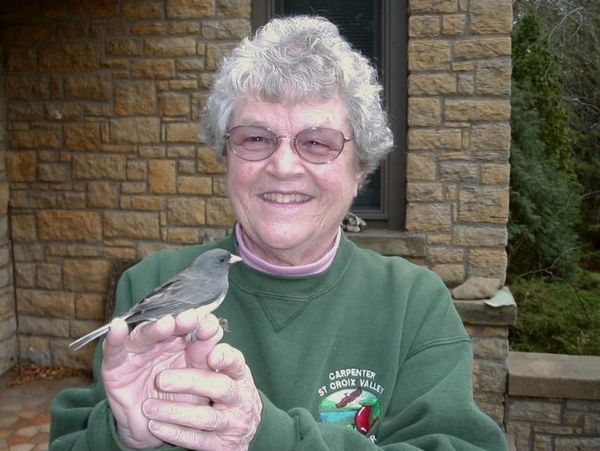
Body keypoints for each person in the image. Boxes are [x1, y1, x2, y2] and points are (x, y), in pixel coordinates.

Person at [49, 15, 508, 451]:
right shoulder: (149, 281)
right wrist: (125, 437)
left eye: (316, 142)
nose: (283, 167)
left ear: (359, 170)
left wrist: (264, 436)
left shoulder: (414, 303)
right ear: (226, 159)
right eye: (255, 138)